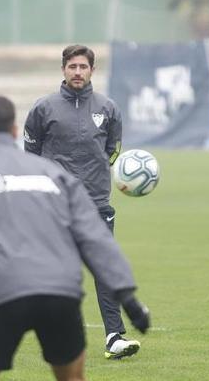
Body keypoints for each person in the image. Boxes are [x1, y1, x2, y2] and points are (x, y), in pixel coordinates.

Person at [0, 95, 150, 381]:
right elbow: (95, 237)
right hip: (59, 293)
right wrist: (128, 299)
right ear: (14, 131)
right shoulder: (54, 174)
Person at [22, 44, 139, 360]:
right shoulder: (43, 108)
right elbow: (30, 154)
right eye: (72, 66)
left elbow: (113, 149)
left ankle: (114, 336)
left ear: (92, 71)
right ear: (63, 69)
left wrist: (100, 172)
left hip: (97, 203)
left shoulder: (108, 109)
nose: (77, 72)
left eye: (83, 67)